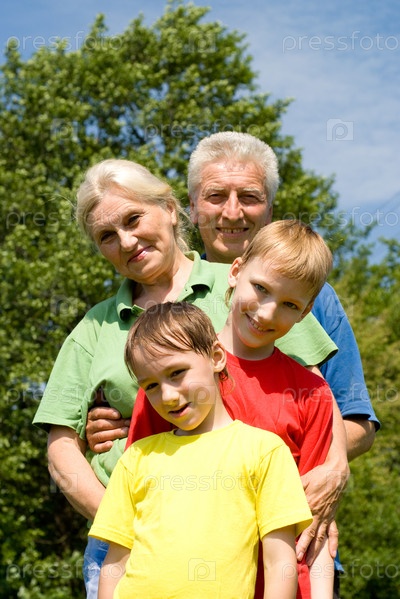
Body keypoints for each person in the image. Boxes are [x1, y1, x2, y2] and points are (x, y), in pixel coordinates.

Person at [32, 158, 336, 599]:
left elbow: (316, 396)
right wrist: (134, 522)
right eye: (106, 236)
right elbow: (62, 446)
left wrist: (334, 470)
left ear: (171, 209)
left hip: (260, 535)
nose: (126, 240)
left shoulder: (254, 284)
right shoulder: (92, 328)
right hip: (138, 545)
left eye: (133, 219)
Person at [127, 220, 341, 599]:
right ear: (236, 272)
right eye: (261, 288)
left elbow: (316, 525)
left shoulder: (312, 394)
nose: (267, 312)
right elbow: (137, 497)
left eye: (290, 304)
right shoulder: (172, 375)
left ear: (306, 312)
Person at [90, 301, 313, 599]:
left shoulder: (265, 451)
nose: (167, 395)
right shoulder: (136, 458)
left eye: (177, 372)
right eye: (151, 386)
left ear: (216, 357)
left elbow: (279, 563)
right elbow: (115, 563)